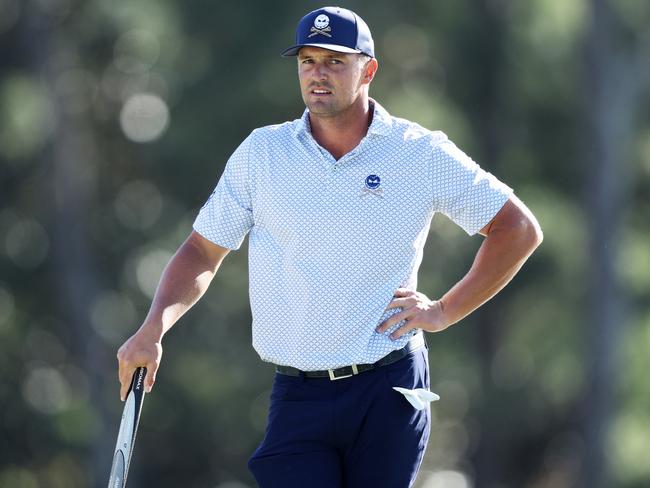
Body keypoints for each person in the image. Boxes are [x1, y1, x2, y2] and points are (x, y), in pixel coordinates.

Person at [116, 6, 543, 487]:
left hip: (390, 387)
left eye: (335, 62)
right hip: (298, 395)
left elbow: (517, 230)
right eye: (308, 61)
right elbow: (201, 251)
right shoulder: (263, 153)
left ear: (369, 70)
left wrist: (444, 310)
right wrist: (153, 328)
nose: (318, 74)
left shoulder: (418, 152)